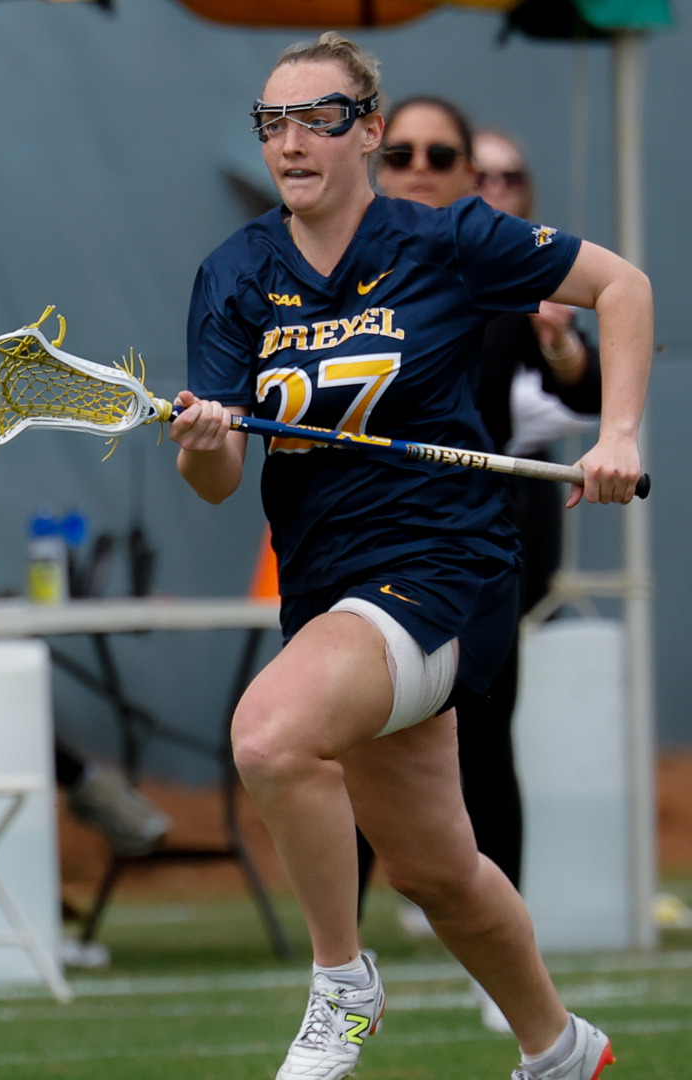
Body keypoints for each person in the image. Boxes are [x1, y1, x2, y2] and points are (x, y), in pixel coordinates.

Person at [172, 32, 647, 1080]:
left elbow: (623, 288)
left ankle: (342, 981)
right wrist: (205, 444)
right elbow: (215, 481)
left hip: (447, 567)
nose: (291, 142)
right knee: (439, 870)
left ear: (369, 133)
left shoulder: (450, 239)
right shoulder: (236, 274)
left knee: (269, 735)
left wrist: (616, 434)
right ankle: (562, 1050)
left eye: (318, 119)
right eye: (273, 123)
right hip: (328, 587)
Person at [374, 99, 605, 1033]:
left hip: (470, 550)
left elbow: (581, 382)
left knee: (480, 738)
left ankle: (501, 956)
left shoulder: (497, 270)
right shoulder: (326, 271)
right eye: (402, 152)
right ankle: (339, 962)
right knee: (340, 745)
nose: (419, 168)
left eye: (443, 155)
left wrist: (563, 344)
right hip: (359, 543)